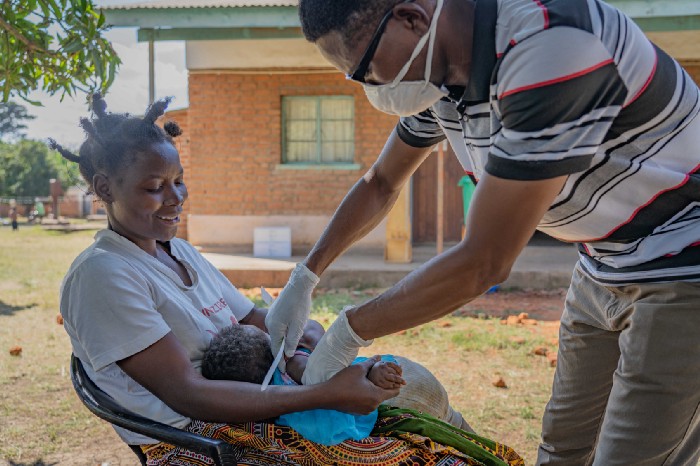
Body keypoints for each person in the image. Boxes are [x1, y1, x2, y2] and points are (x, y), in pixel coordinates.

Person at [263, 1, 700, 465]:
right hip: (601, 262)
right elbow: (381, 182)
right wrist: (305, 277)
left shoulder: (552, 45)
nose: (371, 84)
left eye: (366, 66)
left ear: (412, 17)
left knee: (631, 456)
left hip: (683, 261)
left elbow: (484, 262)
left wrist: (349, 331)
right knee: (564, 447)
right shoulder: (442, 74)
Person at [51, 93, 521, 465]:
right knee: (419, 451)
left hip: (264, 392)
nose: (176, 197)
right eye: (155, 187)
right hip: (203, 438)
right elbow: (187, 395)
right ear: (104, 188)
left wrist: (303, 335)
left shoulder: (178, 252)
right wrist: (323, 392)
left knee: (417, 388)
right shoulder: (104, 277)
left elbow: (255, 319)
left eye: (179, 180)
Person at [201, 322, 472, 445]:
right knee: (456, 423)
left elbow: (330, 431)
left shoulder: (279, 394)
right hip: (408, 382)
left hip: (404, 391)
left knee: (455, 426)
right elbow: (314, 327)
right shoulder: (292, 360)